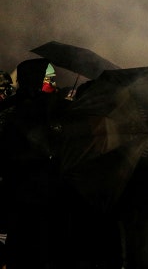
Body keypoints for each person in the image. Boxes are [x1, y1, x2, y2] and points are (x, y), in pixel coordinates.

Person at [0, 59, 67, 268]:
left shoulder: (46, 110)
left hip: (33, 198)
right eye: (49, 80)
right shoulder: (19, 113)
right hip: (28, 197)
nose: (52, 85)